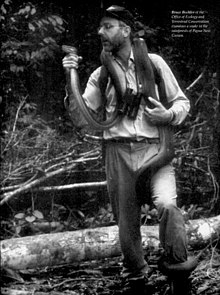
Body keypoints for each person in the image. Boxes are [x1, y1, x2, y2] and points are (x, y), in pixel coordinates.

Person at [62, 5, 196, 294]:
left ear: (125, 30)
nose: (101, 32)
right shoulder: (101, 74)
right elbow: (82, 118)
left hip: (156, 150)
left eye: (108, 26)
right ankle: (136, 278)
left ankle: (179, 272)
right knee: (127, 221)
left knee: (168, 205)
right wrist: (69, 78)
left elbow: (182, 103)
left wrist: (168, 116)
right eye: (100, 27)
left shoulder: (155, 64)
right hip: (118, 153)